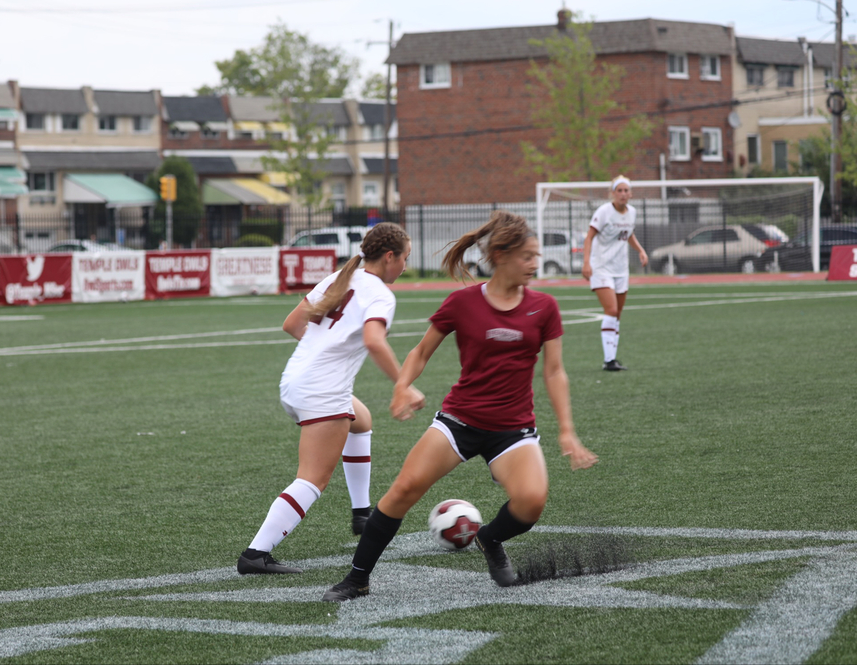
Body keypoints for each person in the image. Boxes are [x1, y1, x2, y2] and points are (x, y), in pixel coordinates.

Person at [322, 211, 597, 601]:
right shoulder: (462, 302)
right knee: (403, 489)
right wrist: (402, 386)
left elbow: (554, 372)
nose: (535, 263)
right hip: (459, 421)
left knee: (532, 502)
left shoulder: (544, 307)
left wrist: (567, 430)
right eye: (527, 256)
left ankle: (489, 538)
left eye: (536, 256)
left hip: (513, 429)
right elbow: (420, 352)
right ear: (500, 256)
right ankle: (357, 578)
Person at [237, 222, 423, 575]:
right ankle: (255, 554)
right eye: (405, 258)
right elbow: (374, 341)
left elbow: (292, 324)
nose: (405, 266)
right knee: (312, 480)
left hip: (295, 380)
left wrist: (323, 348)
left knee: (361, 420)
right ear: (389, 256)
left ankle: (361, 514)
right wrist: (403, 384)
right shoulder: (381, 294)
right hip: (322, 391)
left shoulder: (340, 277)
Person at [580, 176, 649, 371]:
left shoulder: (632, 212)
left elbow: (628, 234)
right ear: (612, 193)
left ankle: (612, 359)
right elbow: (589, 237)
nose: (623, 194)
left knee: (617, 314)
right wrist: (586, 262)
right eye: (619, 190)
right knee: (610, 310)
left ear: (631, 193)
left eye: (626, 190)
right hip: (601, 267)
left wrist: (640, 250)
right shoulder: (604, 211)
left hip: (621, 270)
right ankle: (609, 360)